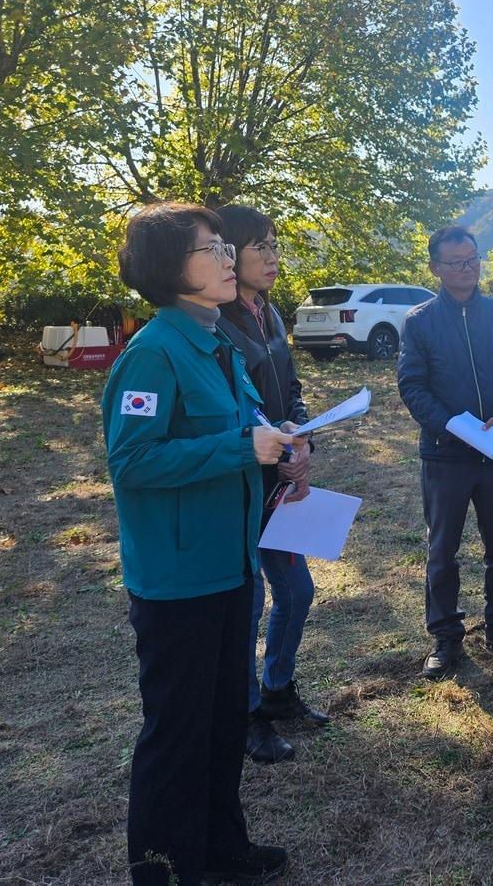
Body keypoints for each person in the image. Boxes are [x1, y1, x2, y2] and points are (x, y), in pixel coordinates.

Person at [102, 203, 291, 886]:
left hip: (231, 563)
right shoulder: (153, 354)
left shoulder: (217, 344)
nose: (226, 259)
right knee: (177, 732)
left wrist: (279, 454)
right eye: (210, 249)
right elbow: (133, 461)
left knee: (219, 722)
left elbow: (245, 433)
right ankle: (165, 867)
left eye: (223, 248)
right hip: (179, 579)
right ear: (169, 269)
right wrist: (242, 445)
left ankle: (221, 849)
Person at [397, 225, 493, 680]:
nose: (467, 269)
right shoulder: (419, 322)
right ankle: (445, 636)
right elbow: (412, 386)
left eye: (473, 259)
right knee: (443, 550)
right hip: (446, 455)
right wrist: (451, 426)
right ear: (436, 268)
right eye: (457, 262)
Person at [215, 205, 329, 766]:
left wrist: (302, 437)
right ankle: (248, 714)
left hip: (282, 481)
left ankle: (278, 690)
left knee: (297, 592)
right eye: (258, 245)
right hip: (240, 486)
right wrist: (274, 441)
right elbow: (229, 409)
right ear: (227, 253)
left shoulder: (271, 313)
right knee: (251, 602)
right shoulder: (214, 322)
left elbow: (290, 387)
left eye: (275, 243)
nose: (272, 255)